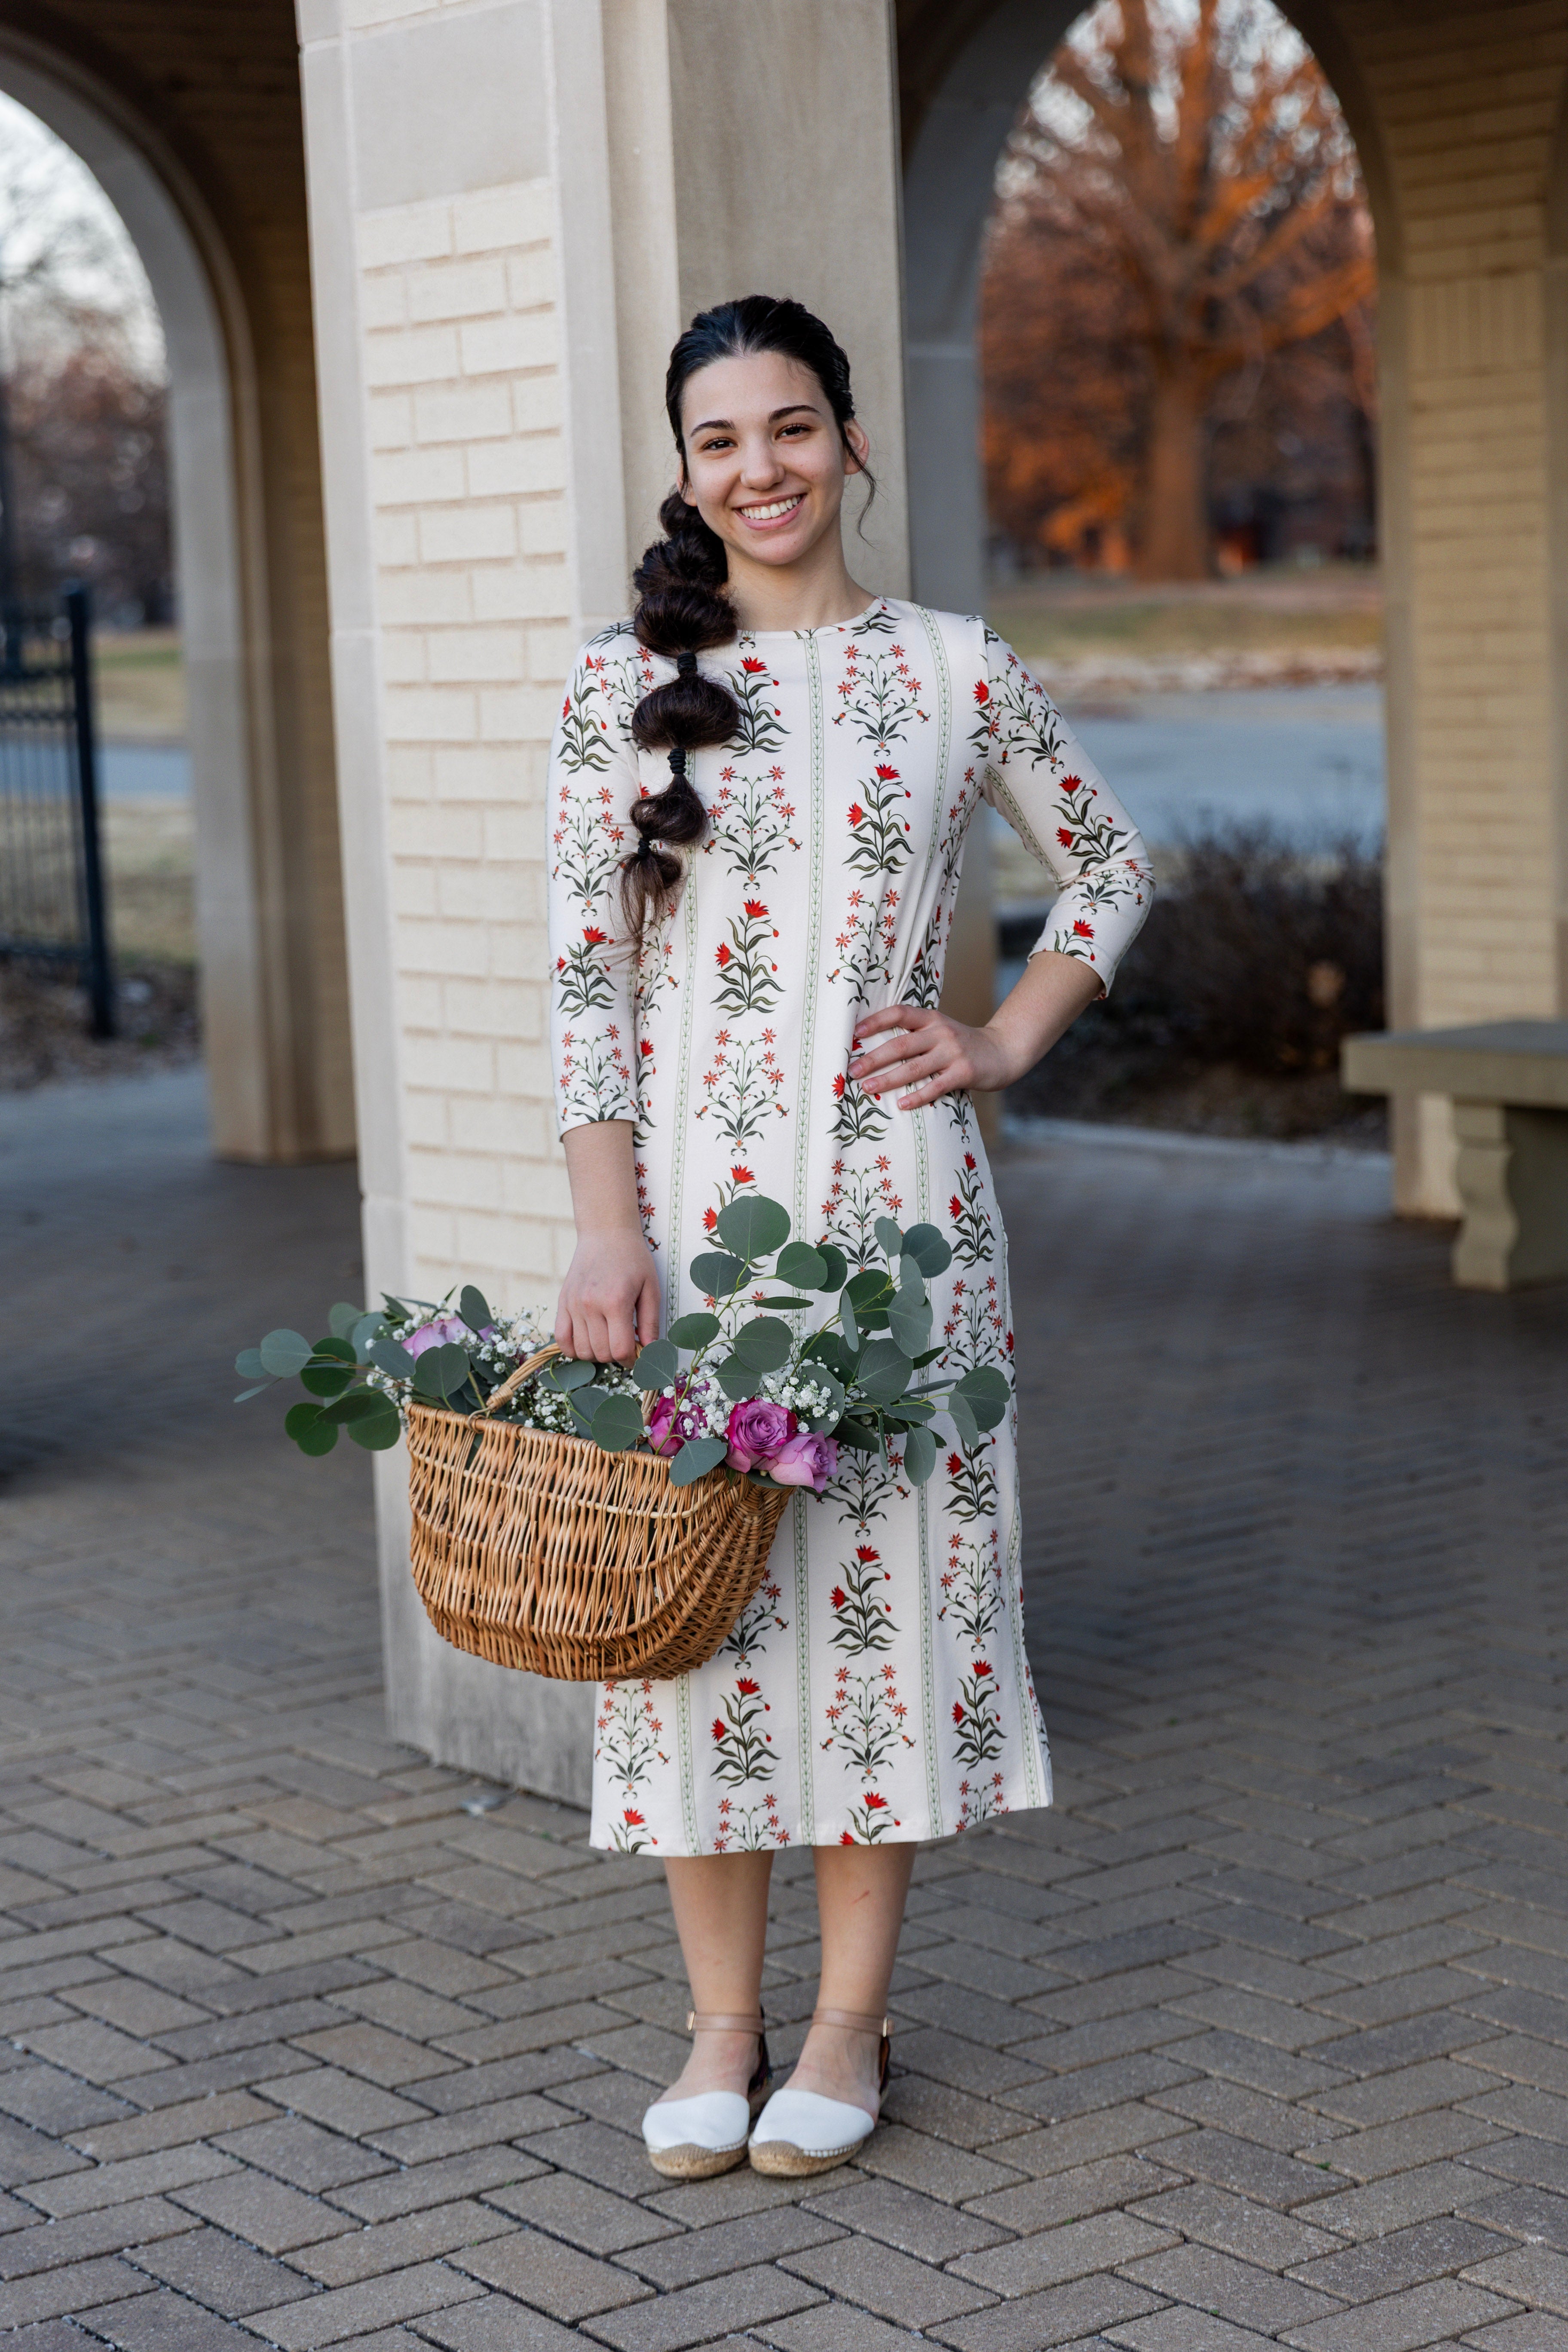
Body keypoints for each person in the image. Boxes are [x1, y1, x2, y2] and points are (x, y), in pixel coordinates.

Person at [546, 296, 1151, 2182]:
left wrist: (998, 1041)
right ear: (684, 469)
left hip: (899, 1230)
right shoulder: (611, 697)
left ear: (851, 440)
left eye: (792, 428)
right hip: (697, 1242)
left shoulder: (958, 673)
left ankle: (845, 2025)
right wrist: (601, 1234)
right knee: (696, 1620)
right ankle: (719, 2025)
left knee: (884, 1617)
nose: (762, 470)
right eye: (721, 441)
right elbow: (587, 988)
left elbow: (1112, 865)